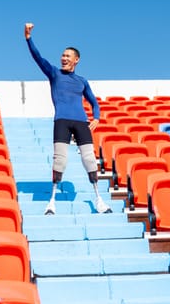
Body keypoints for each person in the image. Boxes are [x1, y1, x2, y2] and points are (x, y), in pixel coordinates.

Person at [24, 23, 112, 214]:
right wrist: (29, 38)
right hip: (62, 121)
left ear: (76, 60)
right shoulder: (54, 73)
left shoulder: (82, 81)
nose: (63, 58)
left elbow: (94, 102)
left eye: (67, 56)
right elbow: (38, 58)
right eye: (62, 55)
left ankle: (99, 200)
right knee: (60, 160)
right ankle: (52, 201)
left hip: (81, 122)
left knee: (89, 159)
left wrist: (96, 117)